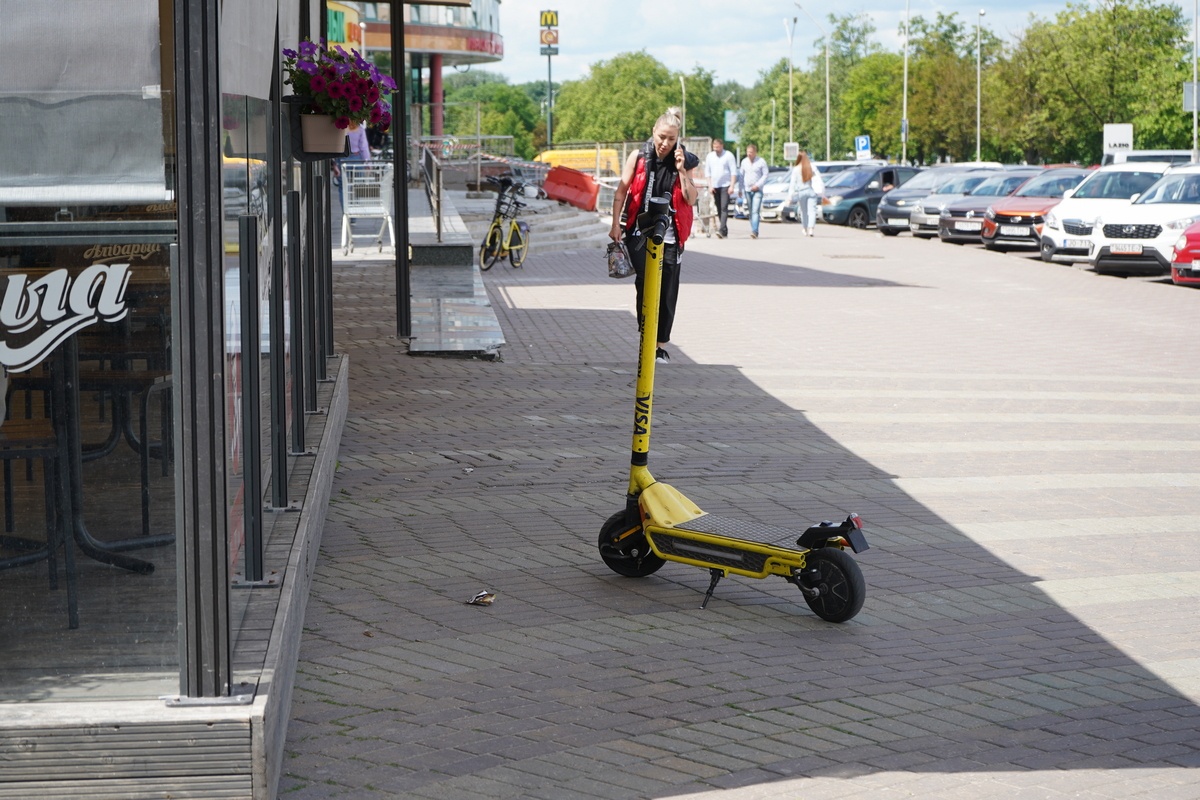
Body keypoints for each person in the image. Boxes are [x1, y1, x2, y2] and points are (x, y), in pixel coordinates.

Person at [609, 107, 699, 365]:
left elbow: (691, 199)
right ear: (653, 132)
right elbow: (621, 191)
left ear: (678, 138)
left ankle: (659, 344)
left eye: (671, 139)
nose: (665, 143)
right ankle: (646, 337)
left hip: (671, 235)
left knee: (668, 290)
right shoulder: (638, 156)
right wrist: (616, 224)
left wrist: (682, 171)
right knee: (646, 283)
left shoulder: (685, 160)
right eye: (661, 137)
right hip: (639, 232)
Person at [703, 138, 737, 239]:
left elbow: (733, 172)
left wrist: (732, 185)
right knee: (719, 208)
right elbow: (707, 172)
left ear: (722, 146)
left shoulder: (728, 155)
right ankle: (724, 230)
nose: (716, 149)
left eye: (718, 147)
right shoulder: (710, 156)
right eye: (714, 147)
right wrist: (710, 185)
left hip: (726, 185)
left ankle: (721, 230)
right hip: (715, 186)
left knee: (724, 208)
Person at [787, 150, 824, 236]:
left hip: (801, 192)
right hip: (811, 191)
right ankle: (811, 229)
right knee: (812, 211)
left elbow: (792, 184)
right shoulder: (811, 167)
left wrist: (790, 197)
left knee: (804, 211)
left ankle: (805, 228)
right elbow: (819, 177)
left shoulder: (796, 169)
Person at [738, 143, 770, 239]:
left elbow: (765, 175)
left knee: (755, 210)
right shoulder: (744, 162)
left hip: (757, 190)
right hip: (747, 190)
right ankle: (753, 228)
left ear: (755, 152)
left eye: (751, 152)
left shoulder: (761, 162)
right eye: (748, 152)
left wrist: (758, 185)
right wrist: (740, 189)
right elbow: (741, 176)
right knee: (751, 211)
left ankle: (755, 231)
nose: (749, 154)